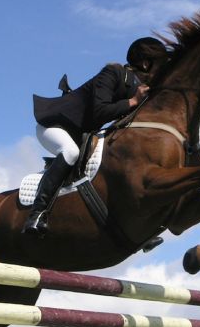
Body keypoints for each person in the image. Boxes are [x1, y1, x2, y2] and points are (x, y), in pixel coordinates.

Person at [22, 37, 169, 236]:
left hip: (83, 135)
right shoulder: (113, 72)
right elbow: (100, 111)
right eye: (159, 65)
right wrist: (133, 101)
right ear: (145, 63)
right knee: (70, 152)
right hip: (55, 126)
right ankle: (37, 213)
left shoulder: (139, 87)